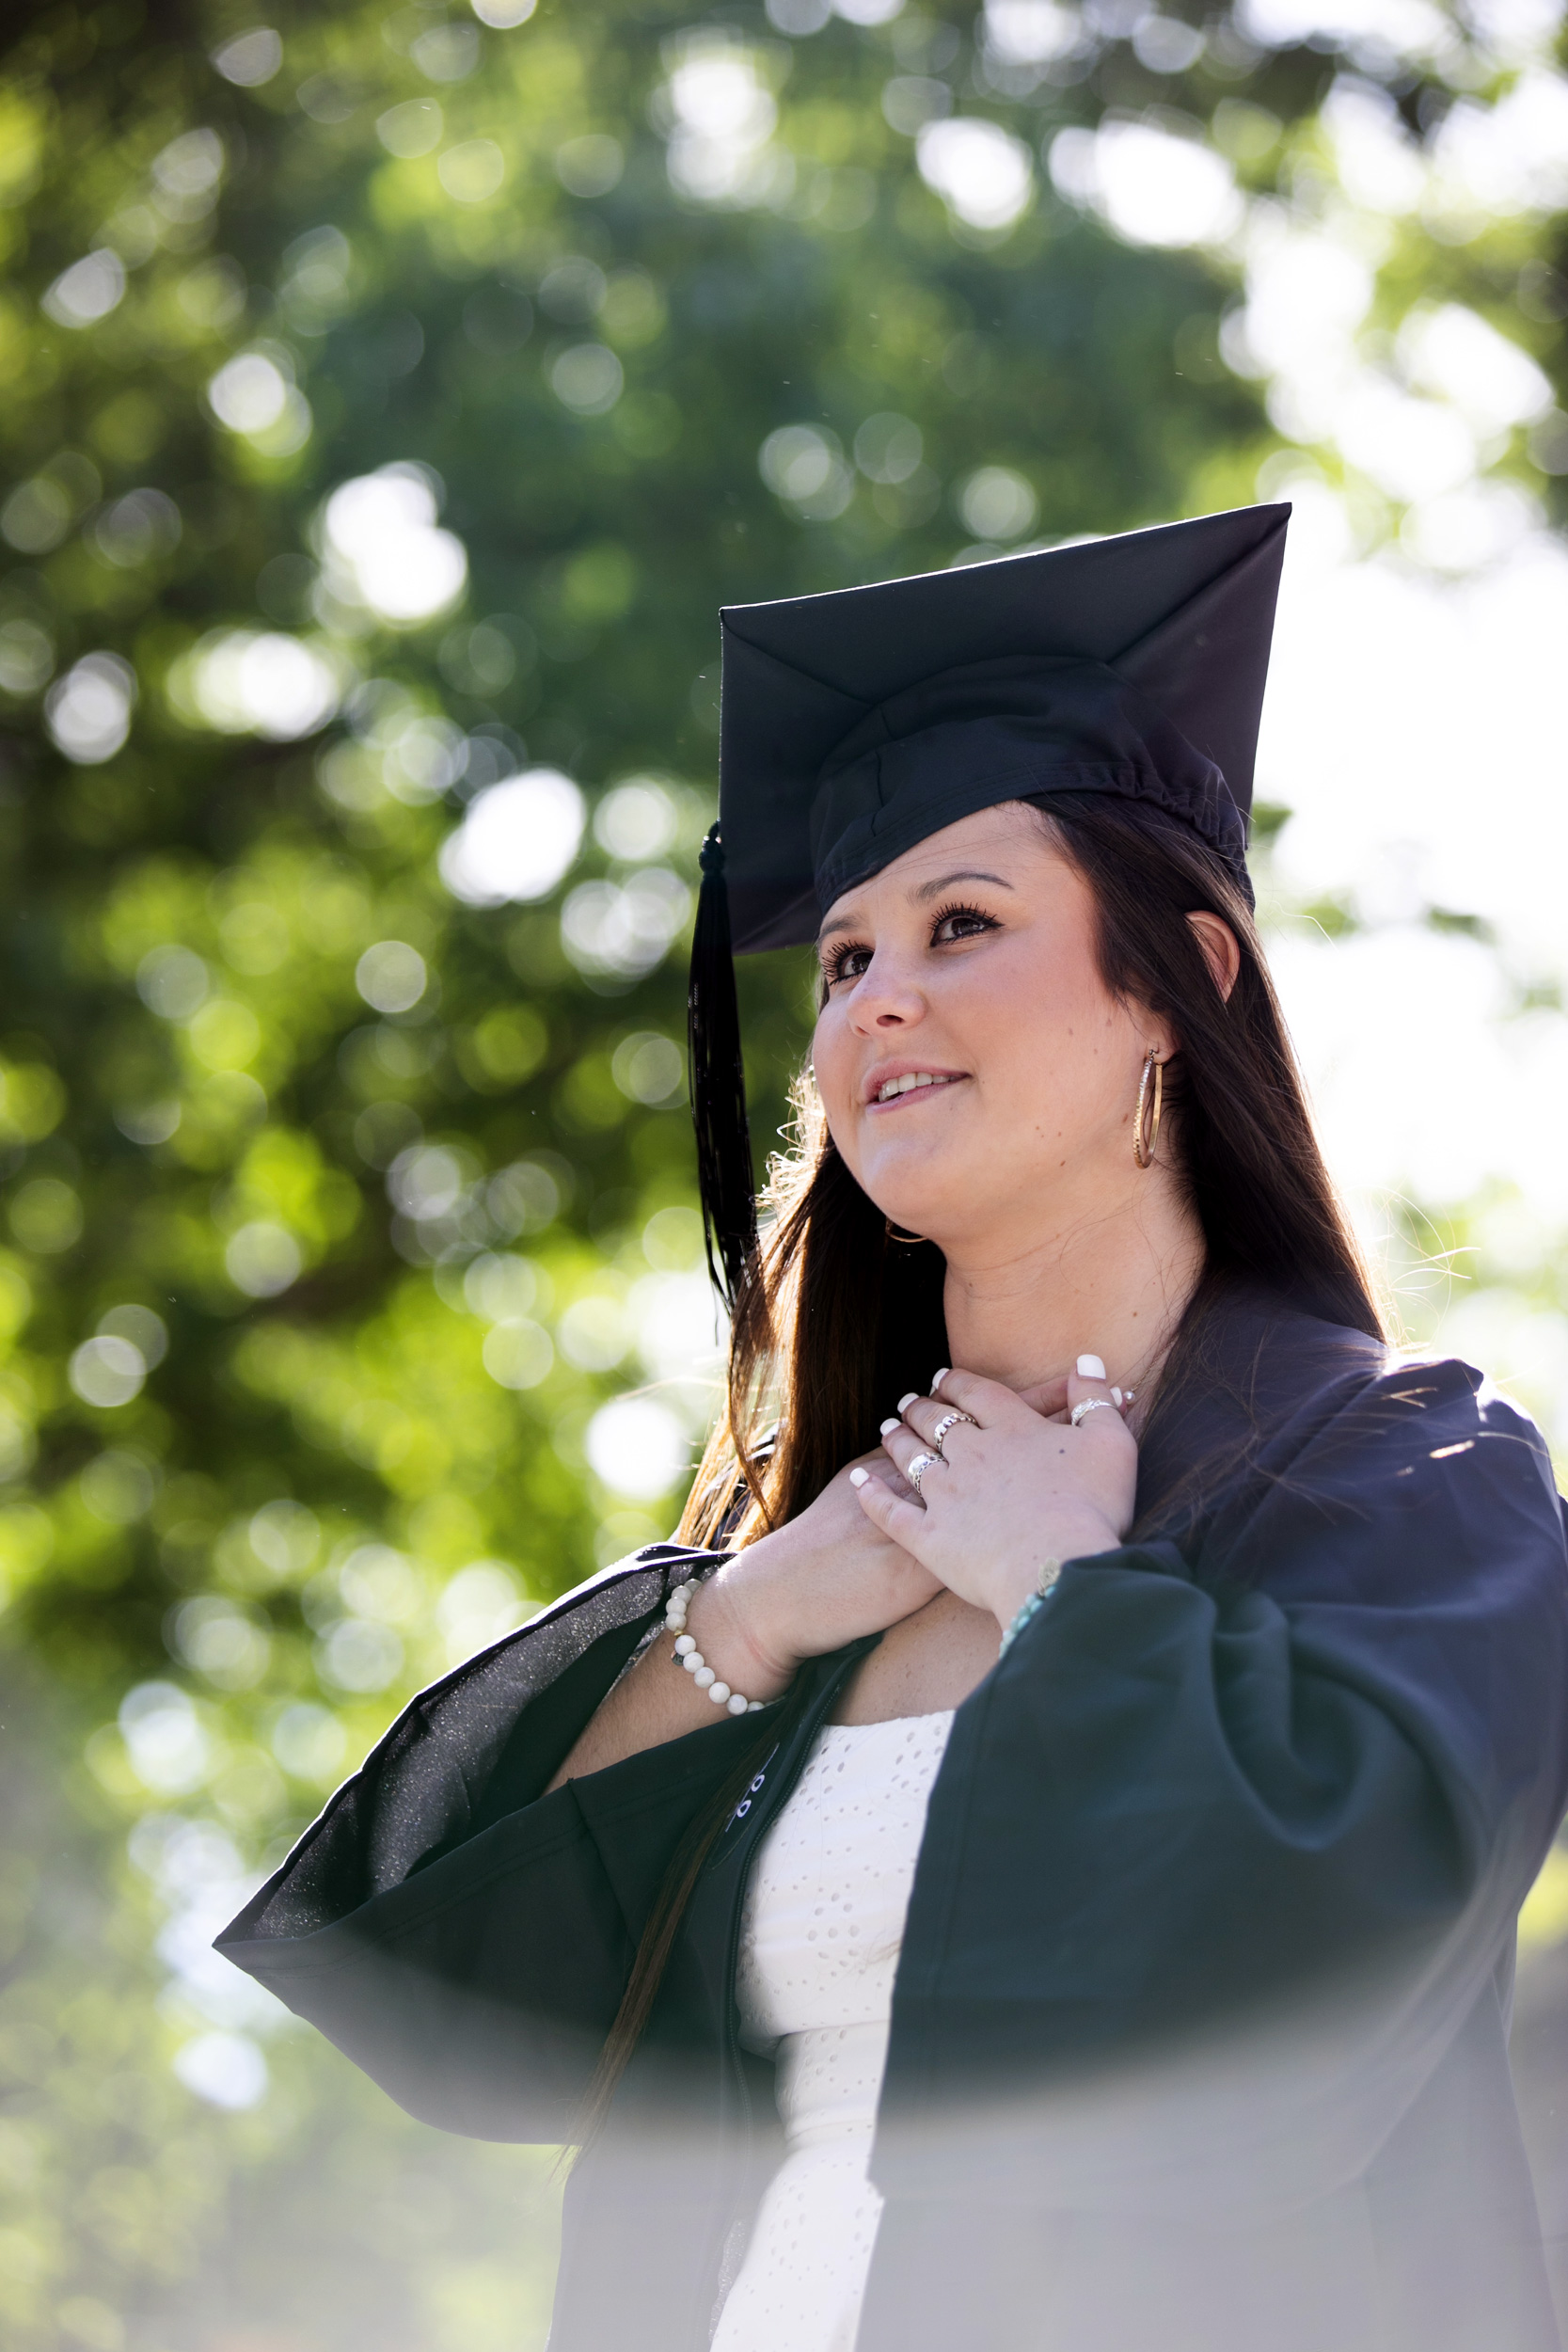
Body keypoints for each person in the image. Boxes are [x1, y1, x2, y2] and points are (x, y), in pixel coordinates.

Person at [218, 504, 1568, 2352]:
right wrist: (761, 1608)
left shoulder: (1404, 1483)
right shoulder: (817, 1551)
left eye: (963, 922)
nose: (878, 998)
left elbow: (1305, 1984)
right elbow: (473, 1988)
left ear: (1183, 980)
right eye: (844, 957)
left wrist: (1061, 1585)